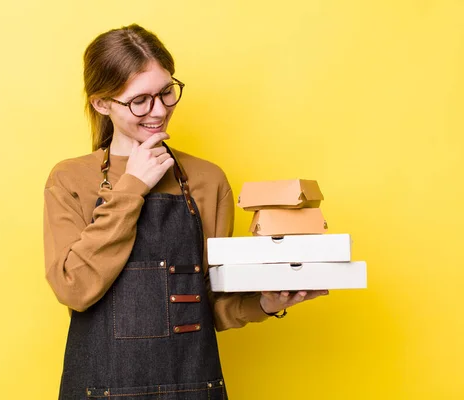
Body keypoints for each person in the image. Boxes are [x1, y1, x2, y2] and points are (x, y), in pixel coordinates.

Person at [43, 24, 328, 400]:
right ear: (101, 103)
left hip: (194, 388)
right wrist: (134, 186)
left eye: (166, 92)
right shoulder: (70, 179)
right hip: (99, 390)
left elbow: (206, 304)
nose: (159, 110)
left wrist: (265, 303)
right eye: (139, 100)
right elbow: (74, 288)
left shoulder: (207, 180)